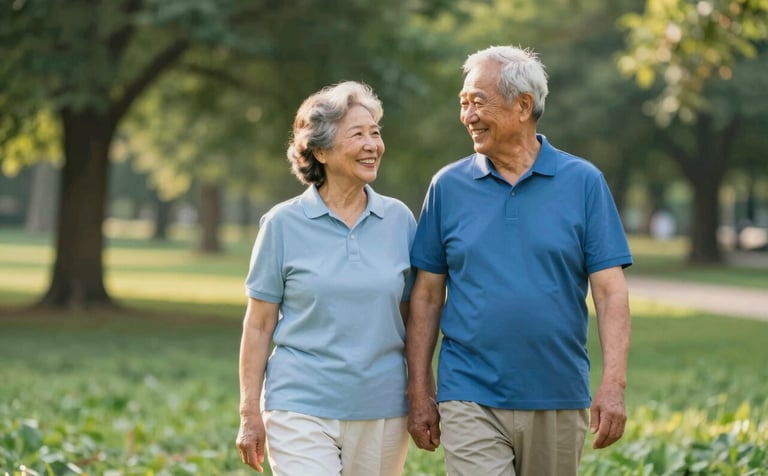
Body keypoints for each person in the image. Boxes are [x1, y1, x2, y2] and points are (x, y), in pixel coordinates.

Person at [406, 45, 633, 476]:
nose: (467, 115)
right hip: (468, 391)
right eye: (463, 103)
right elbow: (427, 297)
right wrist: (420, 389)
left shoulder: (583, 182)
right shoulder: (447, 187)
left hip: (558, 394)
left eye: (478, 102)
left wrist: (613, 384)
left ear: (524, 105)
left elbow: (610, 291)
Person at [235, 81, 416, 475]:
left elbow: (413, 316)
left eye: (375, 133)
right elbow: (259, 322)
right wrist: (249, 411)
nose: (373, 144)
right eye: (358, 134)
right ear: (320, 150)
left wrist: (421, 391)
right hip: (299, 402)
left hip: (382, 405)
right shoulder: (282, 224)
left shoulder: (400, 220)